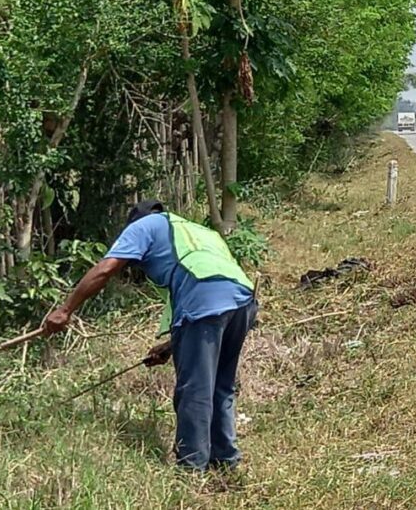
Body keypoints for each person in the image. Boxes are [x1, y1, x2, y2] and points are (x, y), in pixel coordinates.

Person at [43, 200, 258, 472]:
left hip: (204, 298)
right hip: (242, 300)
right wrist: (171, 345)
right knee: (220, 385)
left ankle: (191, 468)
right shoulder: (197, 231)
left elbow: (106, 269)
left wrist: (65, 310)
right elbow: (210, 292)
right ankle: (225, 460)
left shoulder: (144, 225)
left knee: (195, 389)